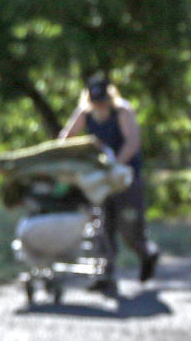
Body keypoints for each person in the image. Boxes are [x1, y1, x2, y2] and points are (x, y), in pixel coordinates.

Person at [59, 76, 159, 291]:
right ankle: (105, 276)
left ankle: (147, 255)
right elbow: (66, 137)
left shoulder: (122, 111)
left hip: (124, 177)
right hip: (101, 179)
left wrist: (114, 164)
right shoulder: (85, 113)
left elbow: (133, 142)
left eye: (103, 100)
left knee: (129, 226)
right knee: (101, 225)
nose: (99, 105)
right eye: (95, 101)